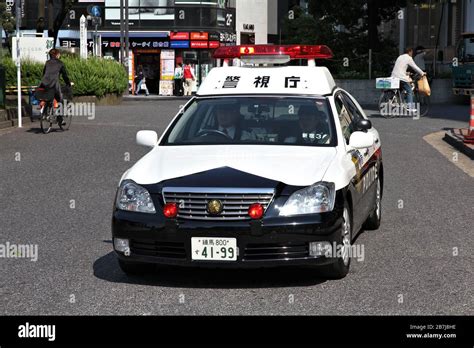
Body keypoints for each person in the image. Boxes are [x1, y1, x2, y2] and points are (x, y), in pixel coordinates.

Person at [39, 49, 72, 125]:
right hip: (54, 85)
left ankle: (44, 113)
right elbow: (65, 75)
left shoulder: (47, 63)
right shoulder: (60, 63)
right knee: (60, 99)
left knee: (47, 97)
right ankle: (60, 119)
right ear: (57, 55)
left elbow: (44, 74)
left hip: (44, 84)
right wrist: (68, 84)